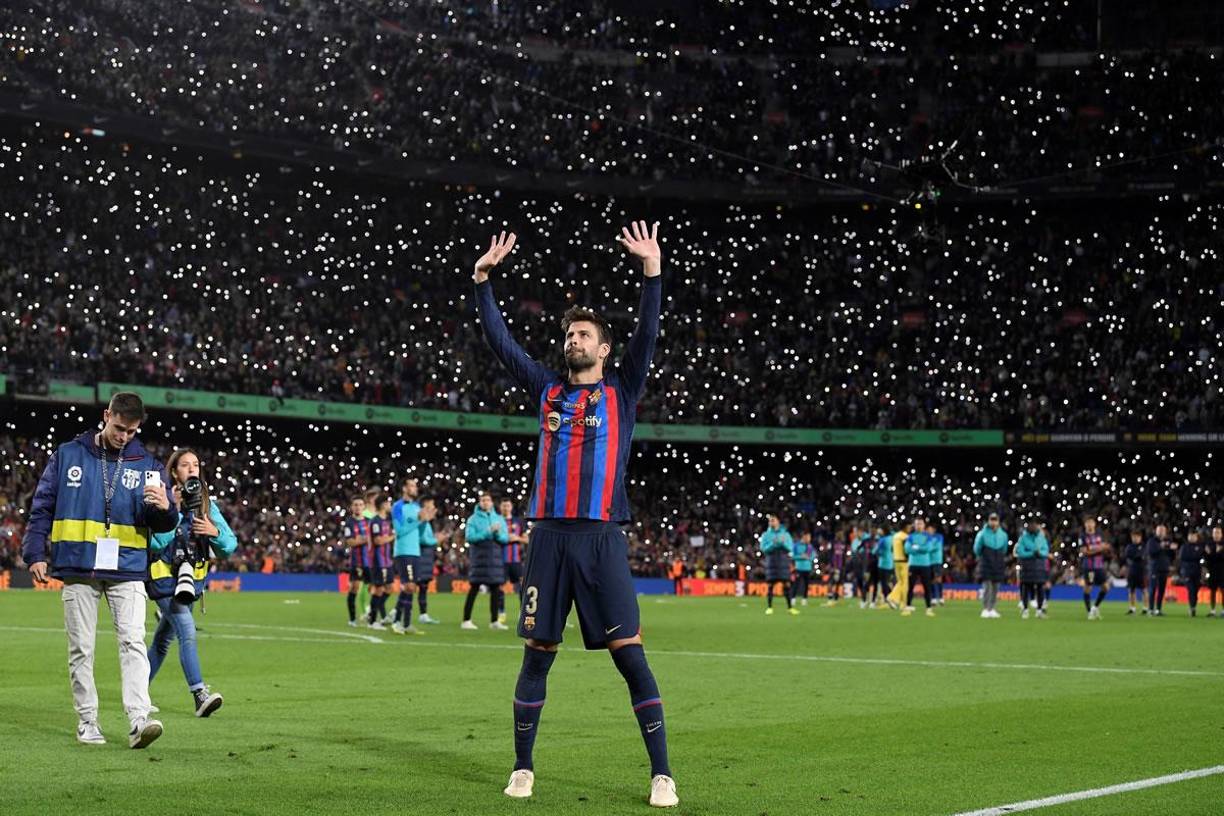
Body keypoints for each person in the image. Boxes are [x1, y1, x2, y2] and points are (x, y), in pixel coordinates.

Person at [473, 224, 677, 806]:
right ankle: (522, 767)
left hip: (601, 541)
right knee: (537, 655)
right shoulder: (544, 388)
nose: (574, 340)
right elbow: (502, 345)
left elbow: (649, 332)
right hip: (547, 540)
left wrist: (652, 271)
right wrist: (483, 283)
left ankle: (662, 772)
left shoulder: (624, 389)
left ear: (604, 348)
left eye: (584, 334)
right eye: (569, 333)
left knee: (630, 655)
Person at [20, 392, 177, 748]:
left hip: (129, 567)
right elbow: (42, 506)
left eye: (132, 431)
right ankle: (87, 721)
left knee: (133, 641)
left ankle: (139, 719)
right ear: (106, 415)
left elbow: (163, 522)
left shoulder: (148, 465)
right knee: (82, 648)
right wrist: (34, 553)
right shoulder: (68, 455)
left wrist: (167, 508)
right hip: (77, 564)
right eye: (119, 428)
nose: (124, 437)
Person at [147, 448, 238, 717]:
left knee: (163, 641)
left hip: (191, 585)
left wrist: (215, 532)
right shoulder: (159, 498)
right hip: (164, 580)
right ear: (174, 471)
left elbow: (229, 545)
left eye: (196, 465)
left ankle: (138, 692)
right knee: (187, 630)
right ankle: (200, 695)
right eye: (185, 465)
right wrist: (172, 510)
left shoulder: (207, 505)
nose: (192, 469)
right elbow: (152, 543)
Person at [461, 492, 509, 631]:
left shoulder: (499, 518)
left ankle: (494, 621)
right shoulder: (473, 519)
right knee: (474, 588)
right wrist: (488, 531)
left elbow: (505, 538)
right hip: (479, 559)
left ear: (492, 503)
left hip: (494, 559)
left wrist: (498, 534)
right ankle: (466, 620)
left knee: (495, 589)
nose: (485, 502)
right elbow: (470, 537)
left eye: (488, 500)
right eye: (483, 500)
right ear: (479, 502)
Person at [390, 478, 424, 635]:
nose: (414, 488)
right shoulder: (397, 507)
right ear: (404, 488)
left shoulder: (417, 507)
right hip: (403, 551)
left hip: (415, 551)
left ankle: (407, 623)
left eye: (415, 486)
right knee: (408, 586)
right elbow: (400, 530)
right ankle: (396, 621)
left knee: (412, 588)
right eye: (411, 485)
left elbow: (420, 532)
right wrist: (419, 521)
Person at [365, 495, 395, 629]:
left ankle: (376, 612)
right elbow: (378, 541)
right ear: (383, 505)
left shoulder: (387, 521)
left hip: (387, 560)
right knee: (378, 589)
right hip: (378, 560)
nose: (390, 505)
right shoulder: (375, 521)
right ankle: (372, 621)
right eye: (388, 503)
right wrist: (393, 536)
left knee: (389, 588)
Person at [341, 495, 371, 627]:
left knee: (375, 588)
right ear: (351, 507)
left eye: (360, 504)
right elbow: (351, 542)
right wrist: (366, 539)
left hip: (371, 560)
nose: (358, 507)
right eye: (355, 505)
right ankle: (352, 619)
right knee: (354, 588)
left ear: (364, 507)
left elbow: (375, 539)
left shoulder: (370, 521)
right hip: (357, 561)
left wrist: (361, 539)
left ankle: (371, 617)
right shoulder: (349, 523)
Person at [974, 512, 1009, 619]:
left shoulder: (1003, 535)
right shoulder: (982, 534)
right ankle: (985, 609)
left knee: (996, 588)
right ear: (988, 521)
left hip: (998, 563)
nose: (993, 522)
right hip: (986, 562)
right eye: (991, 520)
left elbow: (1004, 549)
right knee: (987, 587)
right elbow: (977, 549)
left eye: (995, 520)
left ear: (998, 522)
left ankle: (992, 608)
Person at [498, 498, 528, 624]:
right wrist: (504, 539)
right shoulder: (497, 521)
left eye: (507, 506)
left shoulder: (519, 521)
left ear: (511, 507)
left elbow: (527, 540)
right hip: (500, 561)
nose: (505, 508)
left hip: (516, 561)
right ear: (500, 507)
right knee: (499, 588)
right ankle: (501, 613)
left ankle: (523, 613)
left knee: (523, 586)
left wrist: (516, 538)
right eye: (503, 506)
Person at [760, 515, 796, 616]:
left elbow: (790, 547)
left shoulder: (786, 534)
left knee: (787, 585)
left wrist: (782, 544)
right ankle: (769, 607)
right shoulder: (766, 535)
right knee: (770, 585)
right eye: (770, 521)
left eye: (773, 520)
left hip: (783, 561)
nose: (771, 522)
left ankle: (790, 608)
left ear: (778, 522)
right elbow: (763, 548)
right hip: (771, 561)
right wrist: (773, 544)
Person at [415, 497, 443, 624]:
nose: (432, 509)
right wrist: (436, 540)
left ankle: (423, 614)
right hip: (419, 557)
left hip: (426, 557)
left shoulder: (427, 523)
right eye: (429, 506)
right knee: (412, 586)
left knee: (423, 587)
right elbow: (422, 540)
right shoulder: (421, 522)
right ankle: (396, 612)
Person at [1014, 519, 1049, 619]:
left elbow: (1045, 551)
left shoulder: (1041, 538)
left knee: (1040, 588)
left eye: (1035, 524)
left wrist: (1040, 554)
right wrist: (1032, 553)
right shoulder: (1023, 538)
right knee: (1025, 587)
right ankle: (1025, 609)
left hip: (1039, 566)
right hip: (1027, 566)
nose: (1033, 526)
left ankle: (1039, 610)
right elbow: (1020, 552)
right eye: (1031, 524)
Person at [1079, 516, 1112, 620]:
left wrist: (1106, 548)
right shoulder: (1082, 536)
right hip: (1089, 567)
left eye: (1091, 522)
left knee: (1106, 587)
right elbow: (1084, 551)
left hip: (1099, 566)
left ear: (1094, 524)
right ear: (1085, 525)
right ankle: (1089, 612)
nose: (1089, 524)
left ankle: (1095, 607)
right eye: (1087, 522)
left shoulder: (1099, 534)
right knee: (1088, 588)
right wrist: (1099, 549)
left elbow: (1105, 547)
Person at [902, 518, 935, 617]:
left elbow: (928, 548)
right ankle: (907, 607)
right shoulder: (910, 536)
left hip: (925, 565)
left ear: (924, 525)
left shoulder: (928, 536)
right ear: (914, 526)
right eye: (917, 524)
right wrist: (921, 548)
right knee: (910, 586)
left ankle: (929, 608)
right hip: (913, 565)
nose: (919, 526)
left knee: (927, 587)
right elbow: (907, 549)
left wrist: (916, 547)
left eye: (920, 524)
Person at [1146, 524, 1176, 616]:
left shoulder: (1168, 542)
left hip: (1164, 569)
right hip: (1154, 568)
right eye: (1159, 530)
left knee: (1162, 590)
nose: (1161, 532)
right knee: (1153, 589)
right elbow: (1151, 553)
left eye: (1163, 530)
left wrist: (1173, 550)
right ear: (1156, 531)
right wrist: (1161, 546)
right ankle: (1151, 609)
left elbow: (1171, 556)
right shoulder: (1152, 541)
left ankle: (1158, 609)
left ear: (1165, 532)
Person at [1178, 530, 1205, 618]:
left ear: (1196, 537)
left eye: (1194, 536)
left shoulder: (1200, 546)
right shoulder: (1184, 547)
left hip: (1197, 572)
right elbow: (1182, 558)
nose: (1192, 537)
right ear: (1188, 537)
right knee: (1191, 590)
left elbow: (1201, 557)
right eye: (1190, 536)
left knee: (1196, 591)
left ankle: (1193, 606)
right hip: (1187, 572)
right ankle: (1192, 607)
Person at [885, 522, 911, 609]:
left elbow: (892, 549)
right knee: (904, 583)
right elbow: (906, 550)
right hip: (904, 561)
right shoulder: (905, 537)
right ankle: (898, 601)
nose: (910, 529)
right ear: (905, 527)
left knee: (900, 581)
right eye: (909, 527)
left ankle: (896, 600)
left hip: (896, 560)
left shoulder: (895, 536)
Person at [870, 527, 897, 609]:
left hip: (882, 564)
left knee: (883, 583)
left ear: (883, 531)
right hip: (891, 563)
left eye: (880, 530)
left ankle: (888, 599)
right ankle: (892, 598)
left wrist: (876, 551)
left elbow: (875, 551)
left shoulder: (882, 540)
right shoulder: (892, 538)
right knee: (888, 582)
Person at [1123, 528, 1147, 615]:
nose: (1135, 538)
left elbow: (1142, 556)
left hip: (1142, 571)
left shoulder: (1144, 546)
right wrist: (1137, 556)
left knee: (1144, 590)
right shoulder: (1129, 546)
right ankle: (1132, 608)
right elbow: (1127, 555)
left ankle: (1145, 608)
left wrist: (1136, 556)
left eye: (1137, 537)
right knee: (1131, 590)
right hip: (1132, 571)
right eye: (1133, 537)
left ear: (1140, 537)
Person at [793, 530, 815, 606]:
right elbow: (792, 556)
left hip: (807, 568)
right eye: (808, 537)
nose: (809, 539)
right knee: (796, 584)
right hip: (799, 568)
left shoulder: (810, 546)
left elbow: (813, 556)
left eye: (810, 537)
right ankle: (793, 599)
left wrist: (808, 557)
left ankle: (804, 599)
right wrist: (801, 557)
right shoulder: (796, 545)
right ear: (804, 537)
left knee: (806, 585)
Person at [927, 523, 946, 606]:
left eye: (929, 529)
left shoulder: (939, 537)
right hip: (928, 561)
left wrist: (926, 548)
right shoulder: (926, 537)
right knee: (931, 580)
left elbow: (937, 546)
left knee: (938, 579)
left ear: (933, 529)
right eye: (927, 529)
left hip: (937, 561)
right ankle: (934, 598)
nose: (928, 531)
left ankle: (941, 598)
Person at [1207, 526, 1224, 617]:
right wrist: (1216, 553)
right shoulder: (1209, 544)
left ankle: (1223, 610)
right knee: (1212, 591)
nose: (1216, 534)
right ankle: (1212, 610)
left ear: (1221, 534)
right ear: (1212, 534)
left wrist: (1215, 553)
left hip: (1222, 572)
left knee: (1223, 591)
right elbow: (1208, 558)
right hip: (1212, 571)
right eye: (1215, 533)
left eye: (1218, 533)